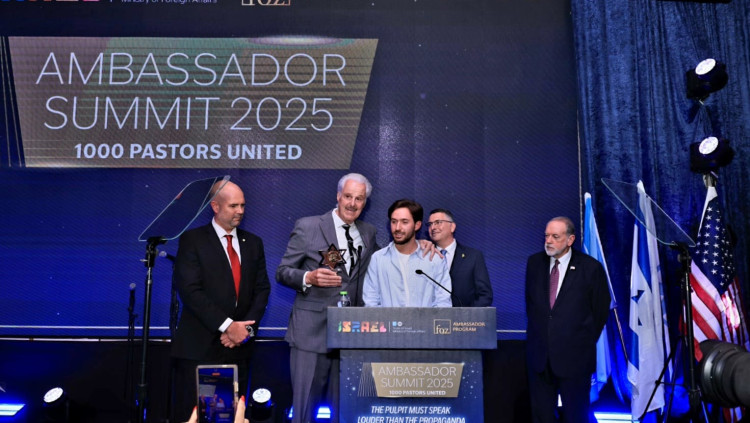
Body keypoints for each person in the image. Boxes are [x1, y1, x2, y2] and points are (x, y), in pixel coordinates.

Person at [276, 174, 439, 423]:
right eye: (348, 196)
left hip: (351, 337)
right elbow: (283, 271)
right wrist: (309, 277)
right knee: (305, 411)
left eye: (359, 199)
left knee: (347, 413)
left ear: (365, 202)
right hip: (312, 334)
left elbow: (389, 257)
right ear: (338, 196)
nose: (352, 204)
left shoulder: (368, 232)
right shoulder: (308, 226)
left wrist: (422, 244)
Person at [171, 180, 271, 423]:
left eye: (243, 205)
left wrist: (244, 331)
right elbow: (190, 291)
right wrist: (228, 326)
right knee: (201, 416)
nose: (240, 211)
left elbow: (262, 290)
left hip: (239, 350)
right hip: (201, 348)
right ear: (215, 206)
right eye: (233, 206)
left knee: (235, 416)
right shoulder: (192, 240)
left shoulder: (253, 243)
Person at [525, 216, 610, 423]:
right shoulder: (534, 263)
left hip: (575, 359)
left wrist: (579, 339)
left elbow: (599, 310)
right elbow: (531, 305)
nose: (548, 241)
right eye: (546, 236)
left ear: (570, 239)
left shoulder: (590, 268)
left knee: (576, 416)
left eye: (555, 236)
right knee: (542, 416)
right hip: (540, 358)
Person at [363, 199, 452, 307]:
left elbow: (443, 304)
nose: (397, 228)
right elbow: (371, 303)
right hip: (387, 319)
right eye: (394, 221)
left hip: (425, 319)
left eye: (404, 222)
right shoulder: (378, 259)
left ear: (417, 225)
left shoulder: (434, 259)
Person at [427, 208, 493, 307]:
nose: (433, 227)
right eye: (430, 224)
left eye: (438, 222)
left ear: (452, 227)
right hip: (430, 315)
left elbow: (485, 295)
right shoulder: (424, 256)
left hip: (464, 316)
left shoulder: (473, 257)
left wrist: (467, 314)